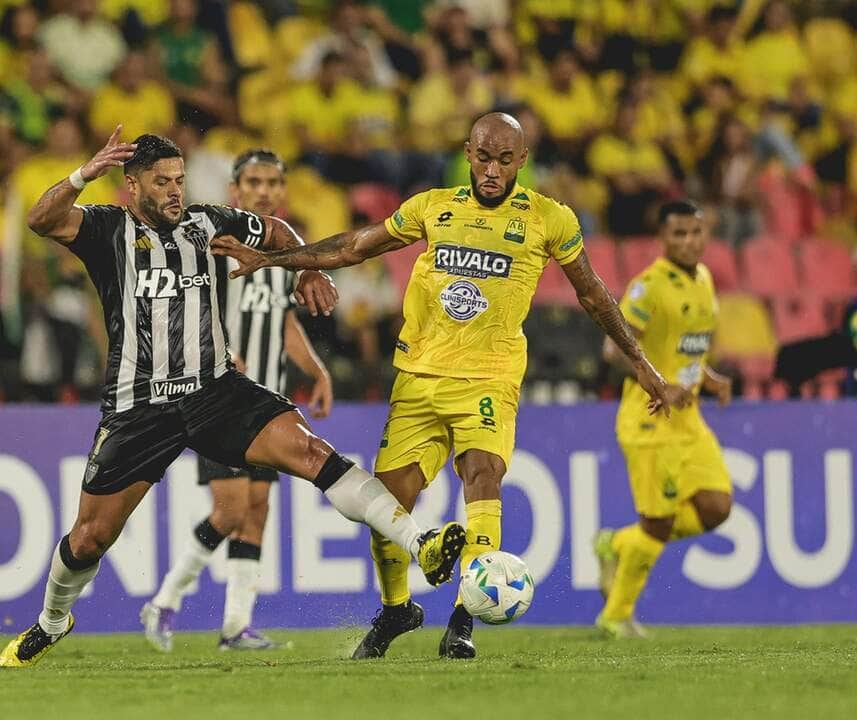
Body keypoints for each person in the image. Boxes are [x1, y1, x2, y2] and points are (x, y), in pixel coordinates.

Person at [212, 112, 690, 660]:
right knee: (387, 506)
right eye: (483, 157)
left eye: (504, 161)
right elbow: (354, 247)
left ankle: (464, 619)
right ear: (468, 152)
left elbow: (594, 296)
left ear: (522, 162)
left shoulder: (548, 219)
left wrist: (643, 365)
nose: (492, 170)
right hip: (418, 378)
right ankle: (397, 611)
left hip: (489, 378)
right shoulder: (432, 207)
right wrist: (272, 260)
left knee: (483, 477)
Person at [0, 130, 467, 668]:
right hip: (138, 405)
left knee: (314, 454)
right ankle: (52, 622)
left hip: (216, 390)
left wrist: (305, 266)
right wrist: (83, 174)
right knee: (89, 538)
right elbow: (40, 220)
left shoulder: (207, 220)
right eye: (161, 182)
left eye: (179, 180)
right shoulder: (108, 227)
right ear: (132, 186)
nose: (175, 191)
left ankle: (419, 542)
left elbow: (276, 229)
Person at [142, 149, 334, 652]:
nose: (264, 191)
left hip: (267, 405)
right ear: (235, 191)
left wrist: (316, 371)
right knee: (229, 510)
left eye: (273, 182)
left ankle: (236, 624)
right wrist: (220, 350)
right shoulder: (219, 243)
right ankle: (165, 600)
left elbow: (282, 321)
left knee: (258, 510)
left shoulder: (281, 253)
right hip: (218, 400)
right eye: (254, 182)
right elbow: (182, 302)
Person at [594, 200, 733, 638]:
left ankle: (616, 544)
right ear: (663, 238)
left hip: (689, 418)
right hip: (650, 417)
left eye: (695, 232)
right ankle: (615, 616)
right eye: (679, 234)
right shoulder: (647, 287)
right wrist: (658, 382)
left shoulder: (705, 279)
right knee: (658, 523)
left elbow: (685, 346)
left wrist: (706, 376)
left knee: (716, 506)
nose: (689, 242)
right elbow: (613, 350)